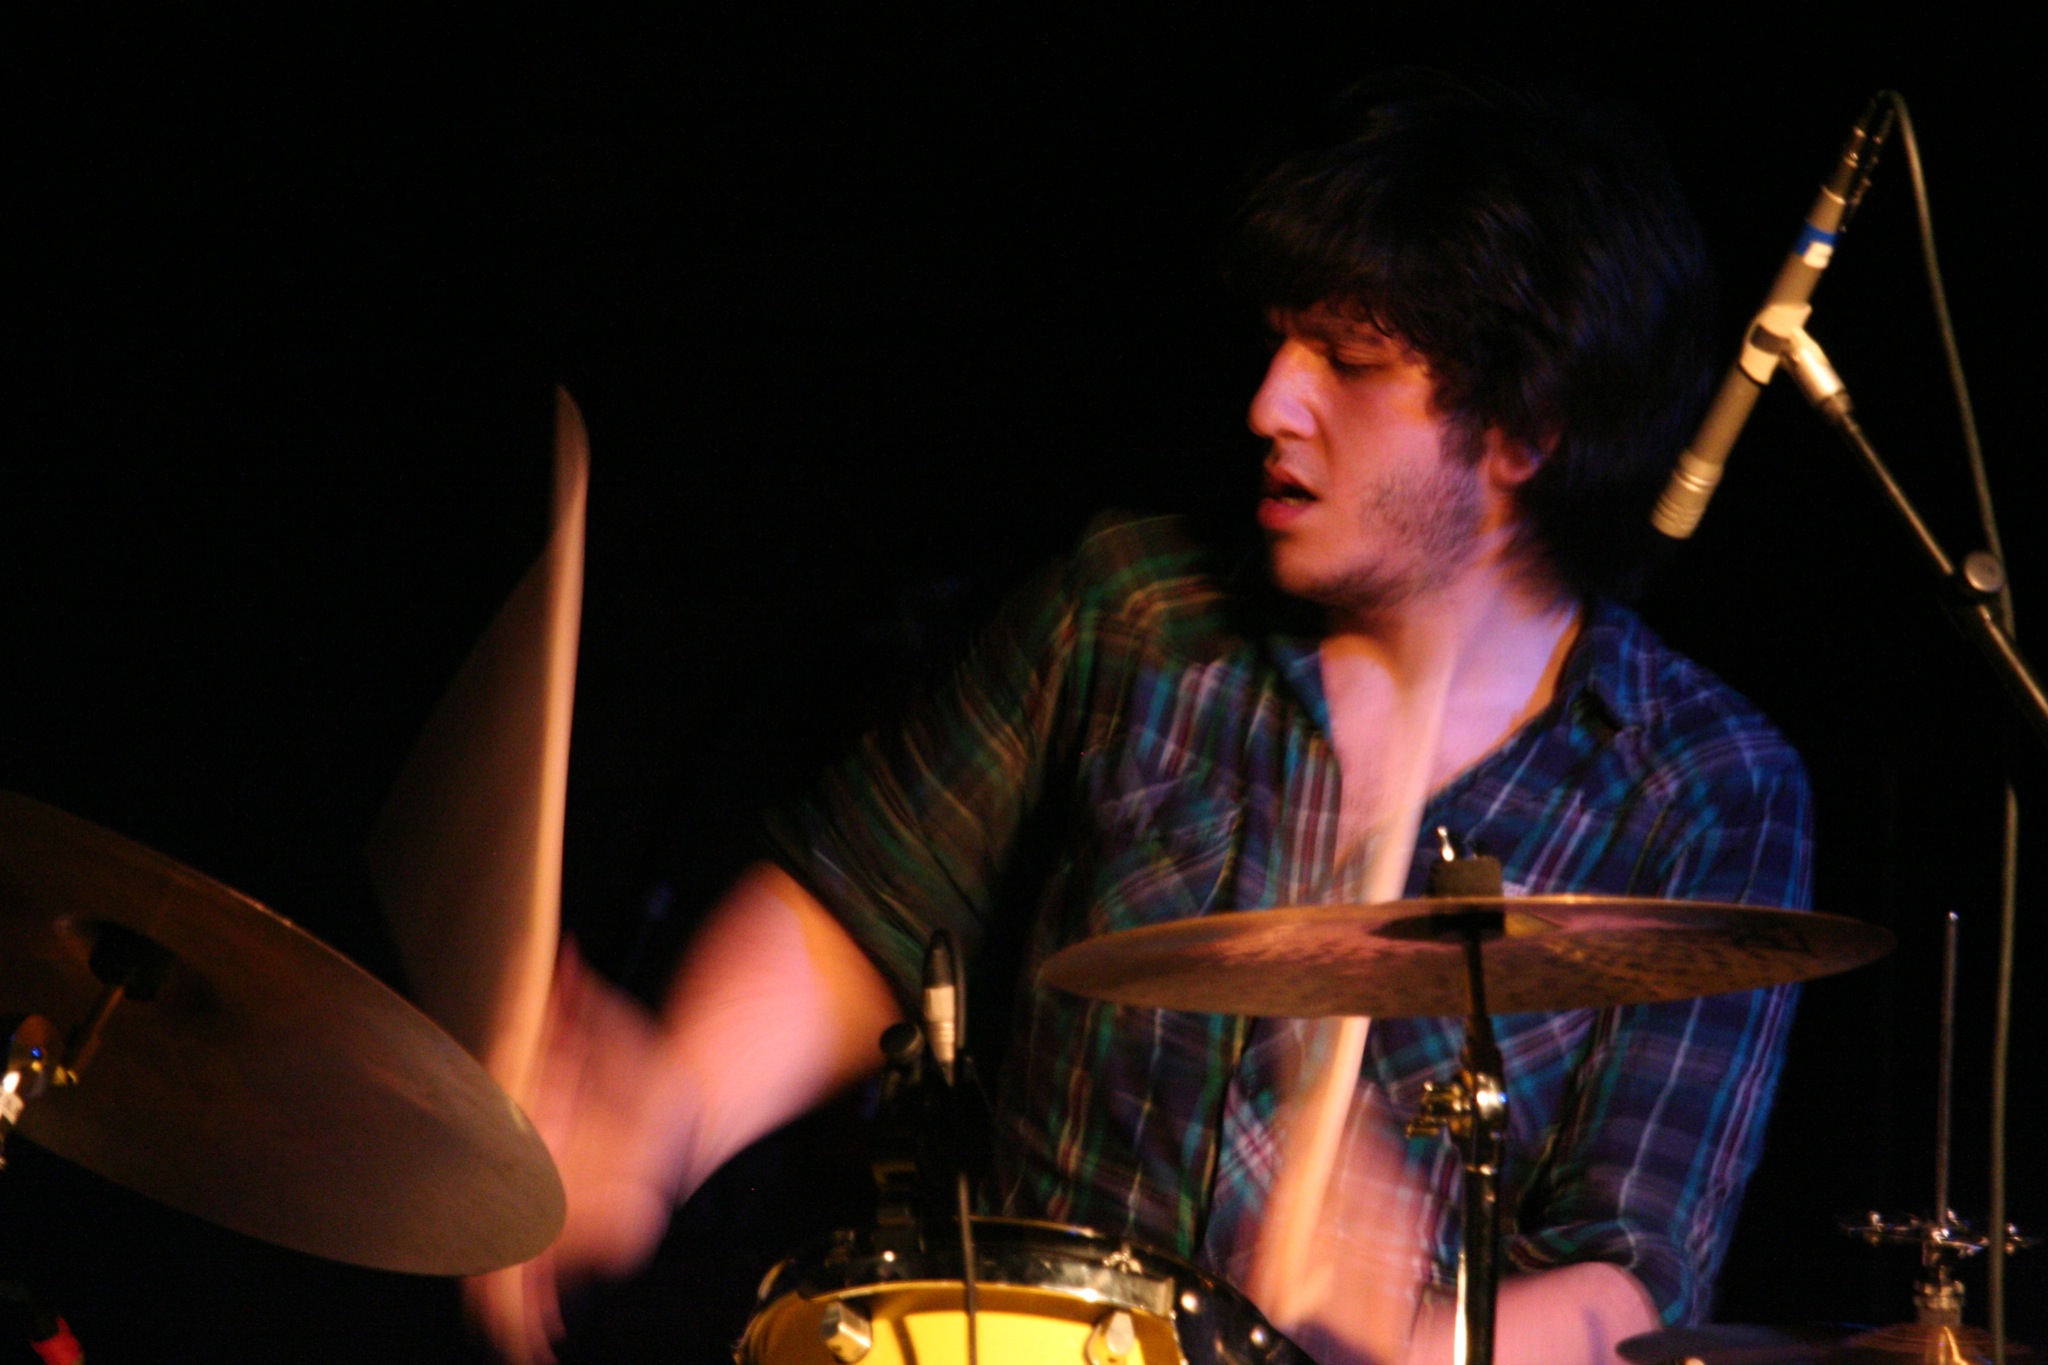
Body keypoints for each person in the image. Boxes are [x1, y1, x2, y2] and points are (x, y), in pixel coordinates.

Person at [476, 73, 1812, 1365]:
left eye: (1348, 362)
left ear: (1523, 432)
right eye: (1284, 338)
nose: (1270, 404)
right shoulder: (1134, 610)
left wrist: (1403, 1341)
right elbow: (863, 900)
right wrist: (667, 1110)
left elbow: (1632, 1279)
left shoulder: (1701, 785)